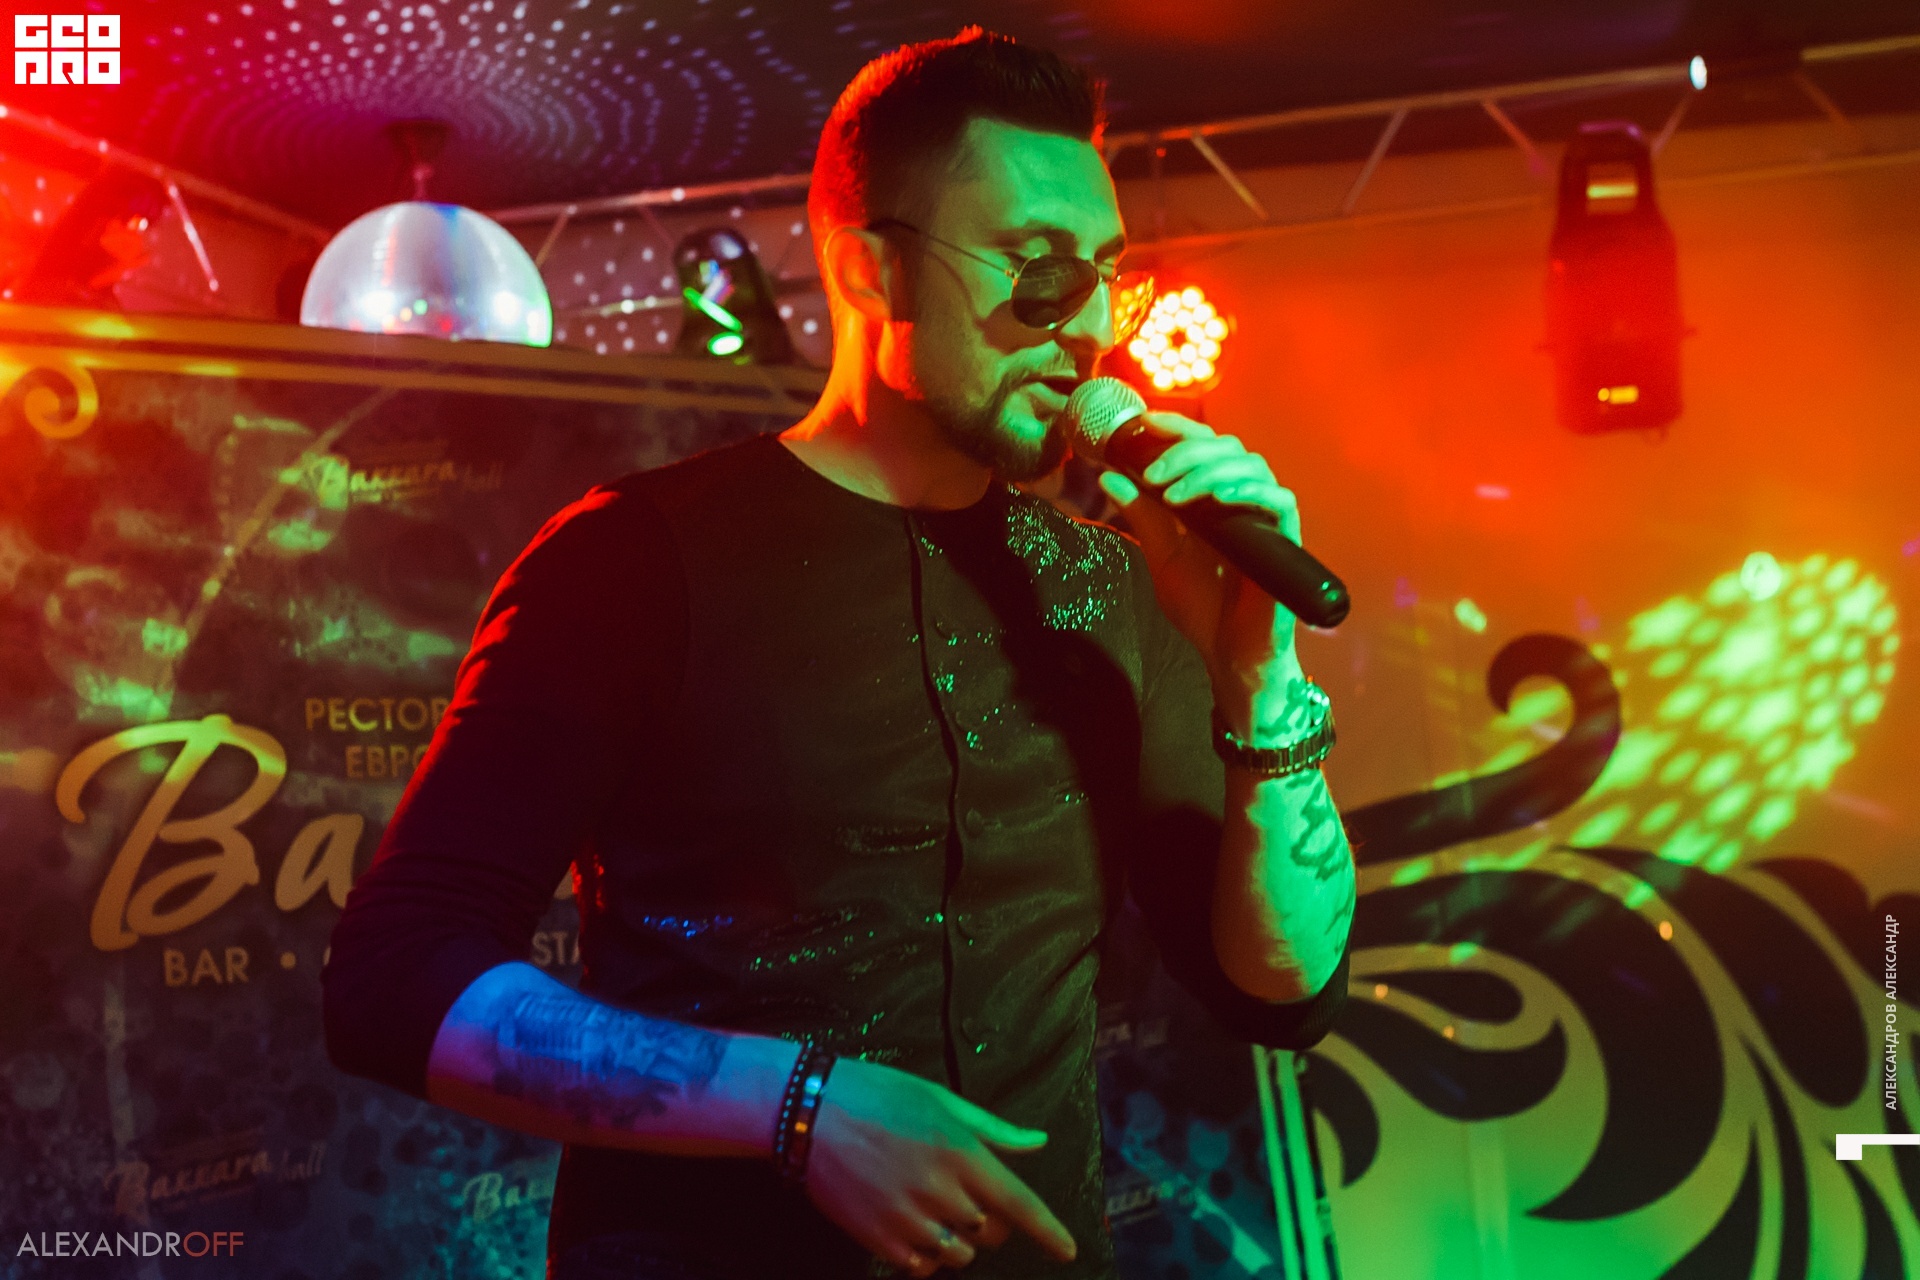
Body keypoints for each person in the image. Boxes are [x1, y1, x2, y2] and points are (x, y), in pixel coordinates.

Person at [322, 28, 1355, 1280]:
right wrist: (796, 1104)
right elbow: (395, 975)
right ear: (872, 272)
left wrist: (1261, 676)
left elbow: (1282, 989)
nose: (1086, 326)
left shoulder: (1110, 582)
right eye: (1036, 269)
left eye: (1102, 276)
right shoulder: (635, 561)